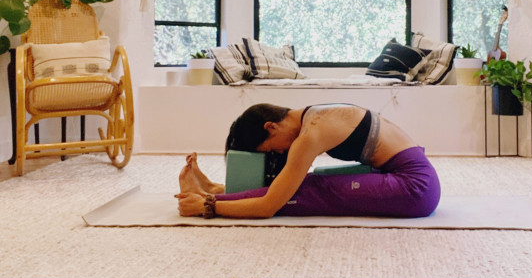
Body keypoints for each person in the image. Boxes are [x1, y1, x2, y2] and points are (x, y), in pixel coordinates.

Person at [175, 103, 441, 219]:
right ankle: (217, 190)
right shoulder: (313, 114)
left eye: (269, 149)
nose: (276, 154)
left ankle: (209, 197)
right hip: (405, 176)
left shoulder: (311, 133)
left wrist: (209, 208)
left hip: (416, 188)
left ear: (271, 127)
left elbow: (269, 206)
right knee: (305, 181)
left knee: (311, 189)